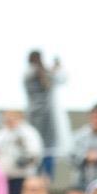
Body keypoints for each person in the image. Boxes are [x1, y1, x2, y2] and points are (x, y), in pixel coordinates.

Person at [24, 51, 66, 179]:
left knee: (47, 154)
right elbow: (52, 80)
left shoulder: (31, 74)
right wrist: (55, 68)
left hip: (42, 120)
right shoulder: (33, 74)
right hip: (41, 120)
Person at [0, 110, 45, 194]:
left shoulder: (29, 133)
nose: (10, 119)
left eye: (13, 116)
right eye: (7, 116)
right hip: (3, 179)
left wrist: (22, 161)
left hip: (23, 178)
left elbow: (35, 154)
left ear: (20, 116)